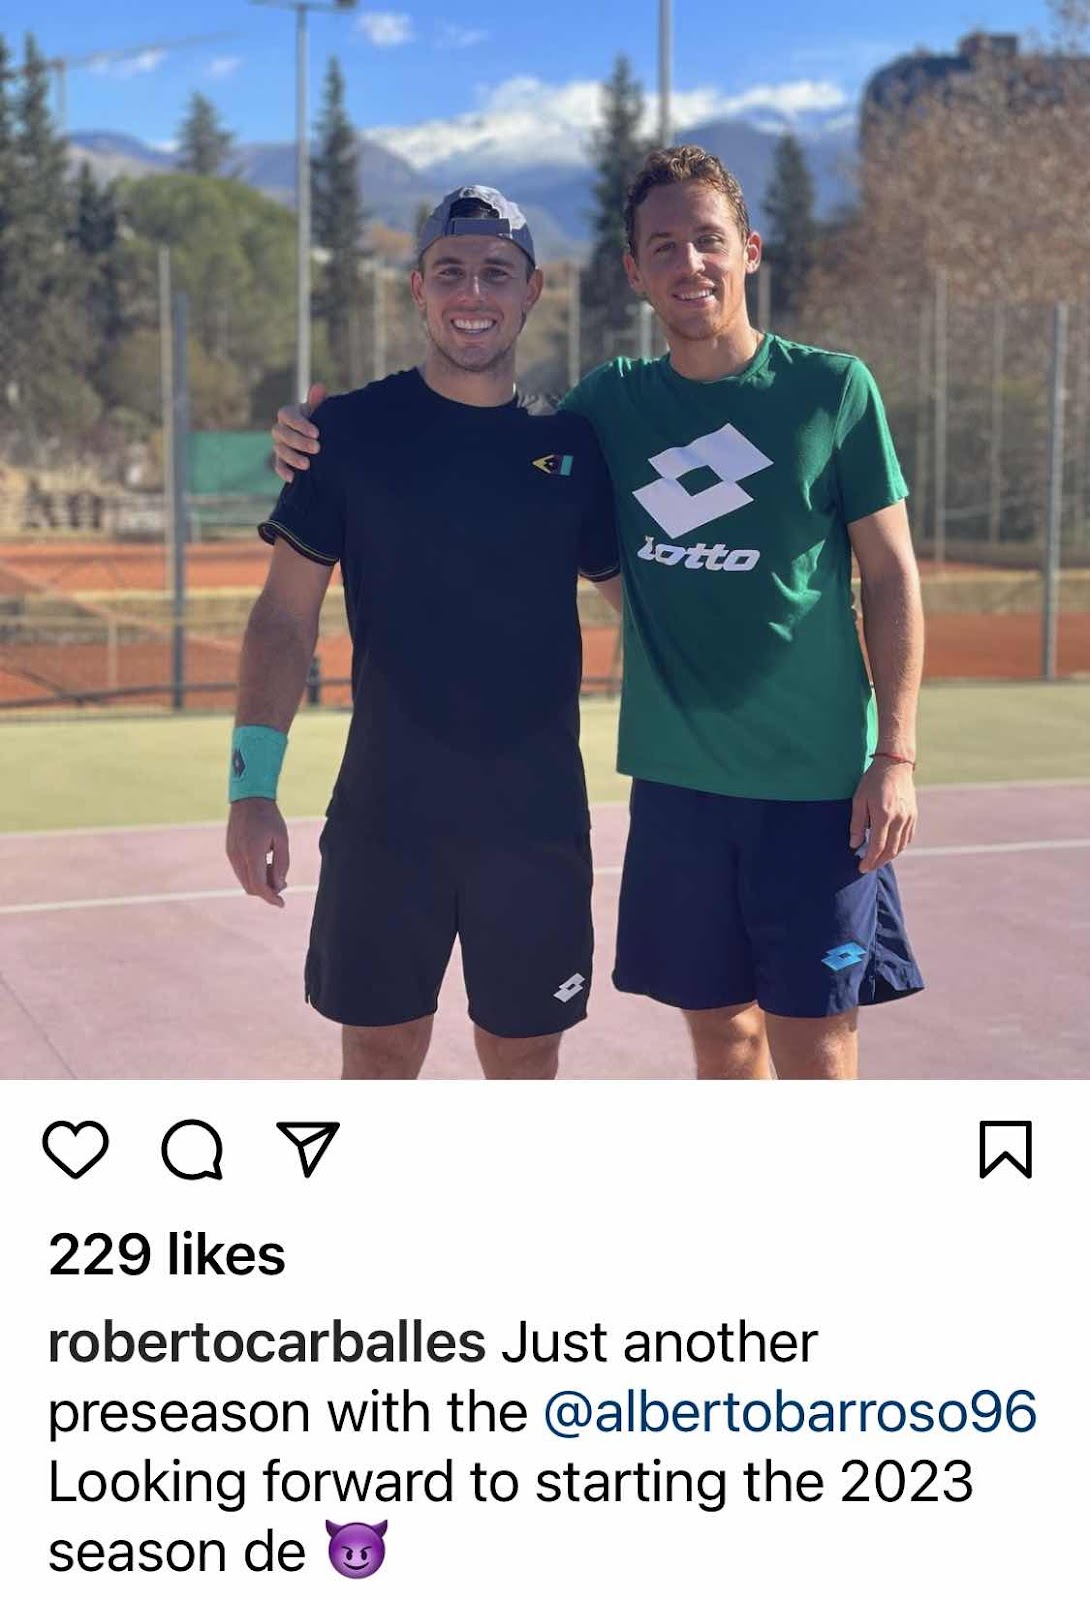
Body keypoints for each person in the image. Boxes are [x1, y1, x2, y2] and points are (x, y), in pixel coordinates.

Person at [272, 147, 924, 1082]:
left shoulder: (831, 390)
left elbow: (892, 577)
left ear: (749, 250)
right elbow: (489, 444)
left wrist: (894, 754)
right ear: (633, 271)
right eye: (663, 247)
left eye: (708, 240)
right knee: (724, 1037)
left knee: (817, 1045)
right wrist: (308, 438)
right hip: (678, 786)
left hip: (817, 784)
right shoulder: (605, 410)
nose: (689, 263)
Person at [228, 186, 621, 1081]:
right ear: (417, 288)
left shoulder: (573, 446)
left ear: (533, 289)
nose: (472, 293)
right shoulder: (343, 434)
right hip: (386, 816)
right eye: (450, 272)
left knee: (524, 1060)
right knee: (379, 1055)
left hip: (535, 821)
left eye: (496, 272)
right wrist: (251, 788)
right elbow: (284, 617)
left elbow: (645, 606)